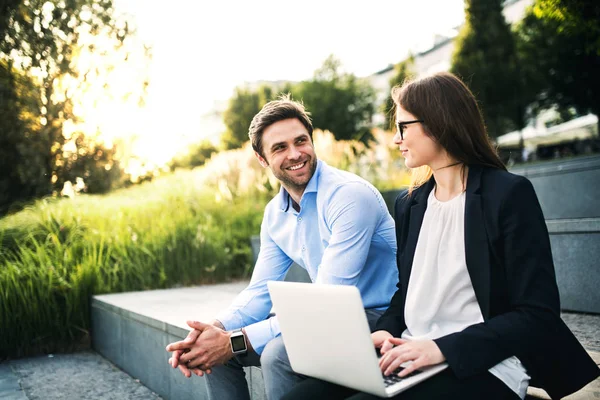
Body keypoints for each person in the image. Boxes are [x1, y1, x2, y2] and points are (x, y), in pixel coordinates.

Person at [282, 72, 600, 400]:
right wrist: (385, 332)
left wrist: (440, 348)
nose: (396, 139)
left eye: (403, 126)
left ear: (438, 123)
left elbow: (537, 314)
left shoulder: (508, 196)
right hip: (410, 352)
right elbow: (407, 294)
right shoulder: (410, 205)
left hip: (486, 364)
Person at [165, 95, 399, 400]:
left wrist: (234, 340)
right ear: (262, 160)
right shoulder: (276, 214)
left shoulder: (349, 197)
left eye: (301, 141)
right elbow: (259, 292)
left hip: (381, 315)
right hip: (332, 316)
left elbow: (326, 302)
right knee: (214, 350)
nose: (295, 153)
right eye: (279, 147)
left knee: (277, 352)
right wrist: (212, 330)